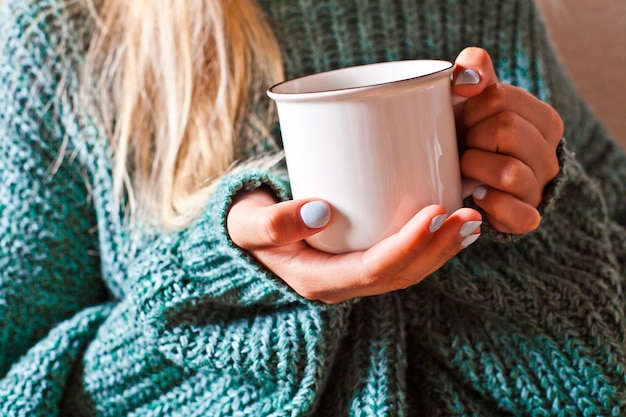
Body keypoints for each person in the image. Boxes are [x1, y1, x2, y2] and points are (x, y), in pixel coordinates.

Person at [0, 0, 624, 415]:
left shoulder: (484, 8)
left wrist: (541, 205)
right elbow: (23, 388)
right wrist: (218, 286)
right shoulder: (64, 37)